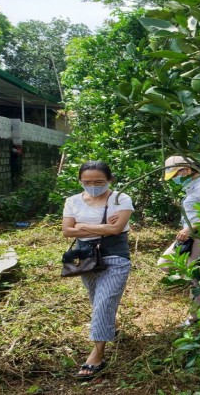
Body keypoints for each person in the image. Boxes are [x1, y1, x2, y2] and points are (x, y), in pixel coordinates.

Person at [62, 161, 134, 379]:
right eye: (87, 182)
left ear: (110, 180)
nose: (93, 186)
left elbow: (116, 229)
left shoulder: (120, 199)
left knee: (103, 302)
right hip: (87, 258)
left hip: (115, 257)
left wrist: (82, 226)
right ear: (80, 181)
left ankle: (97, 355)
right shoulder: (73, 201)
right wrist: (102, 228)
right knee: (97, 299)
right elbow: (67, 231)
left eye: (99, 182)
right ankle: (111, 326)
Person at [159, 155, 200, 326]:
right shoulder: (192, 186)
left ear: (186, 170)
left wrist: (191, 228)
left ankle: (198, 318)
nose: (175, 179)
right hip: (191, 236)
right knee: (165, 263)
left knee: (197, 276)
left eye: (176, 175)